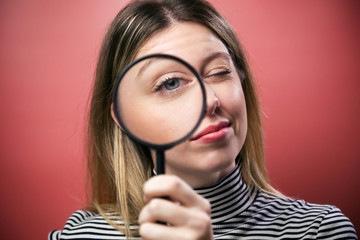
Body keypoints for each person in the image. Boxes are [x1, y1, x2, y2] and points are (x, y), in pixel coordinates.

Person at [49, 0, 357, 239]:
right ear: (123, 117)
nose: (211, 101)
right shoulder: (79, 234)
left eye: (220, 72)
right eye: (170, 83)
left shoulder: (317, 231)